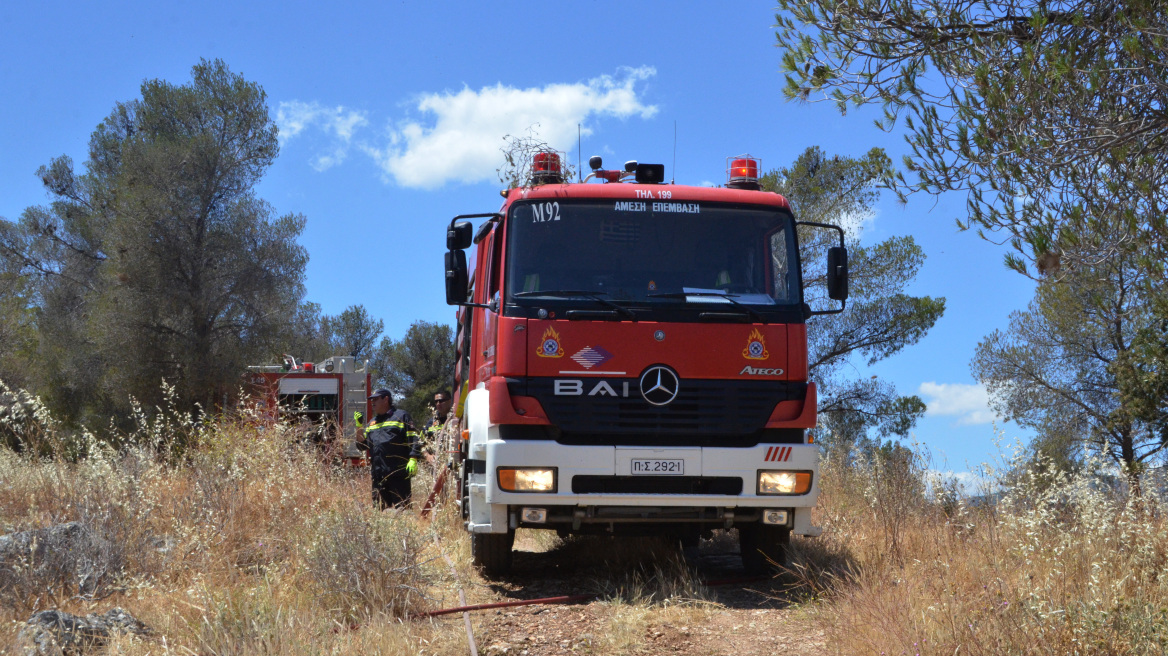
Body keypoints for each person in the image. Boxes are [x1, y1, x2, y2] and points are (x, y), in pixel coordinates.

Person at [355, 389, 420, 509]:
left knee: (403, 510)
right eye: (371, 400)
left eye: (375, 399)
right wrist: (359, 426)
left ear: (386, 399)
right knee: (379, 512)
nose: (372, 402)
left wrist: (413, 458)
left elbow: (414, 438)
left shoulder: (401, 416)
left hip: (398, 474)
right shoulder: (372, 423)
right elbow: (361, 446)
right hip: (378, 475)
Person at [422, 389, 454, 461]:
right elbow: (421, 443)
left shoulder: (455, 419)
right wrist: (428, 456)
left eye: (441, 401)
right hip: (435, 464)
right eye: (436, 402)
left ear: (450, 401)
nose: (438, 404)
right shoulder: (431, 422)